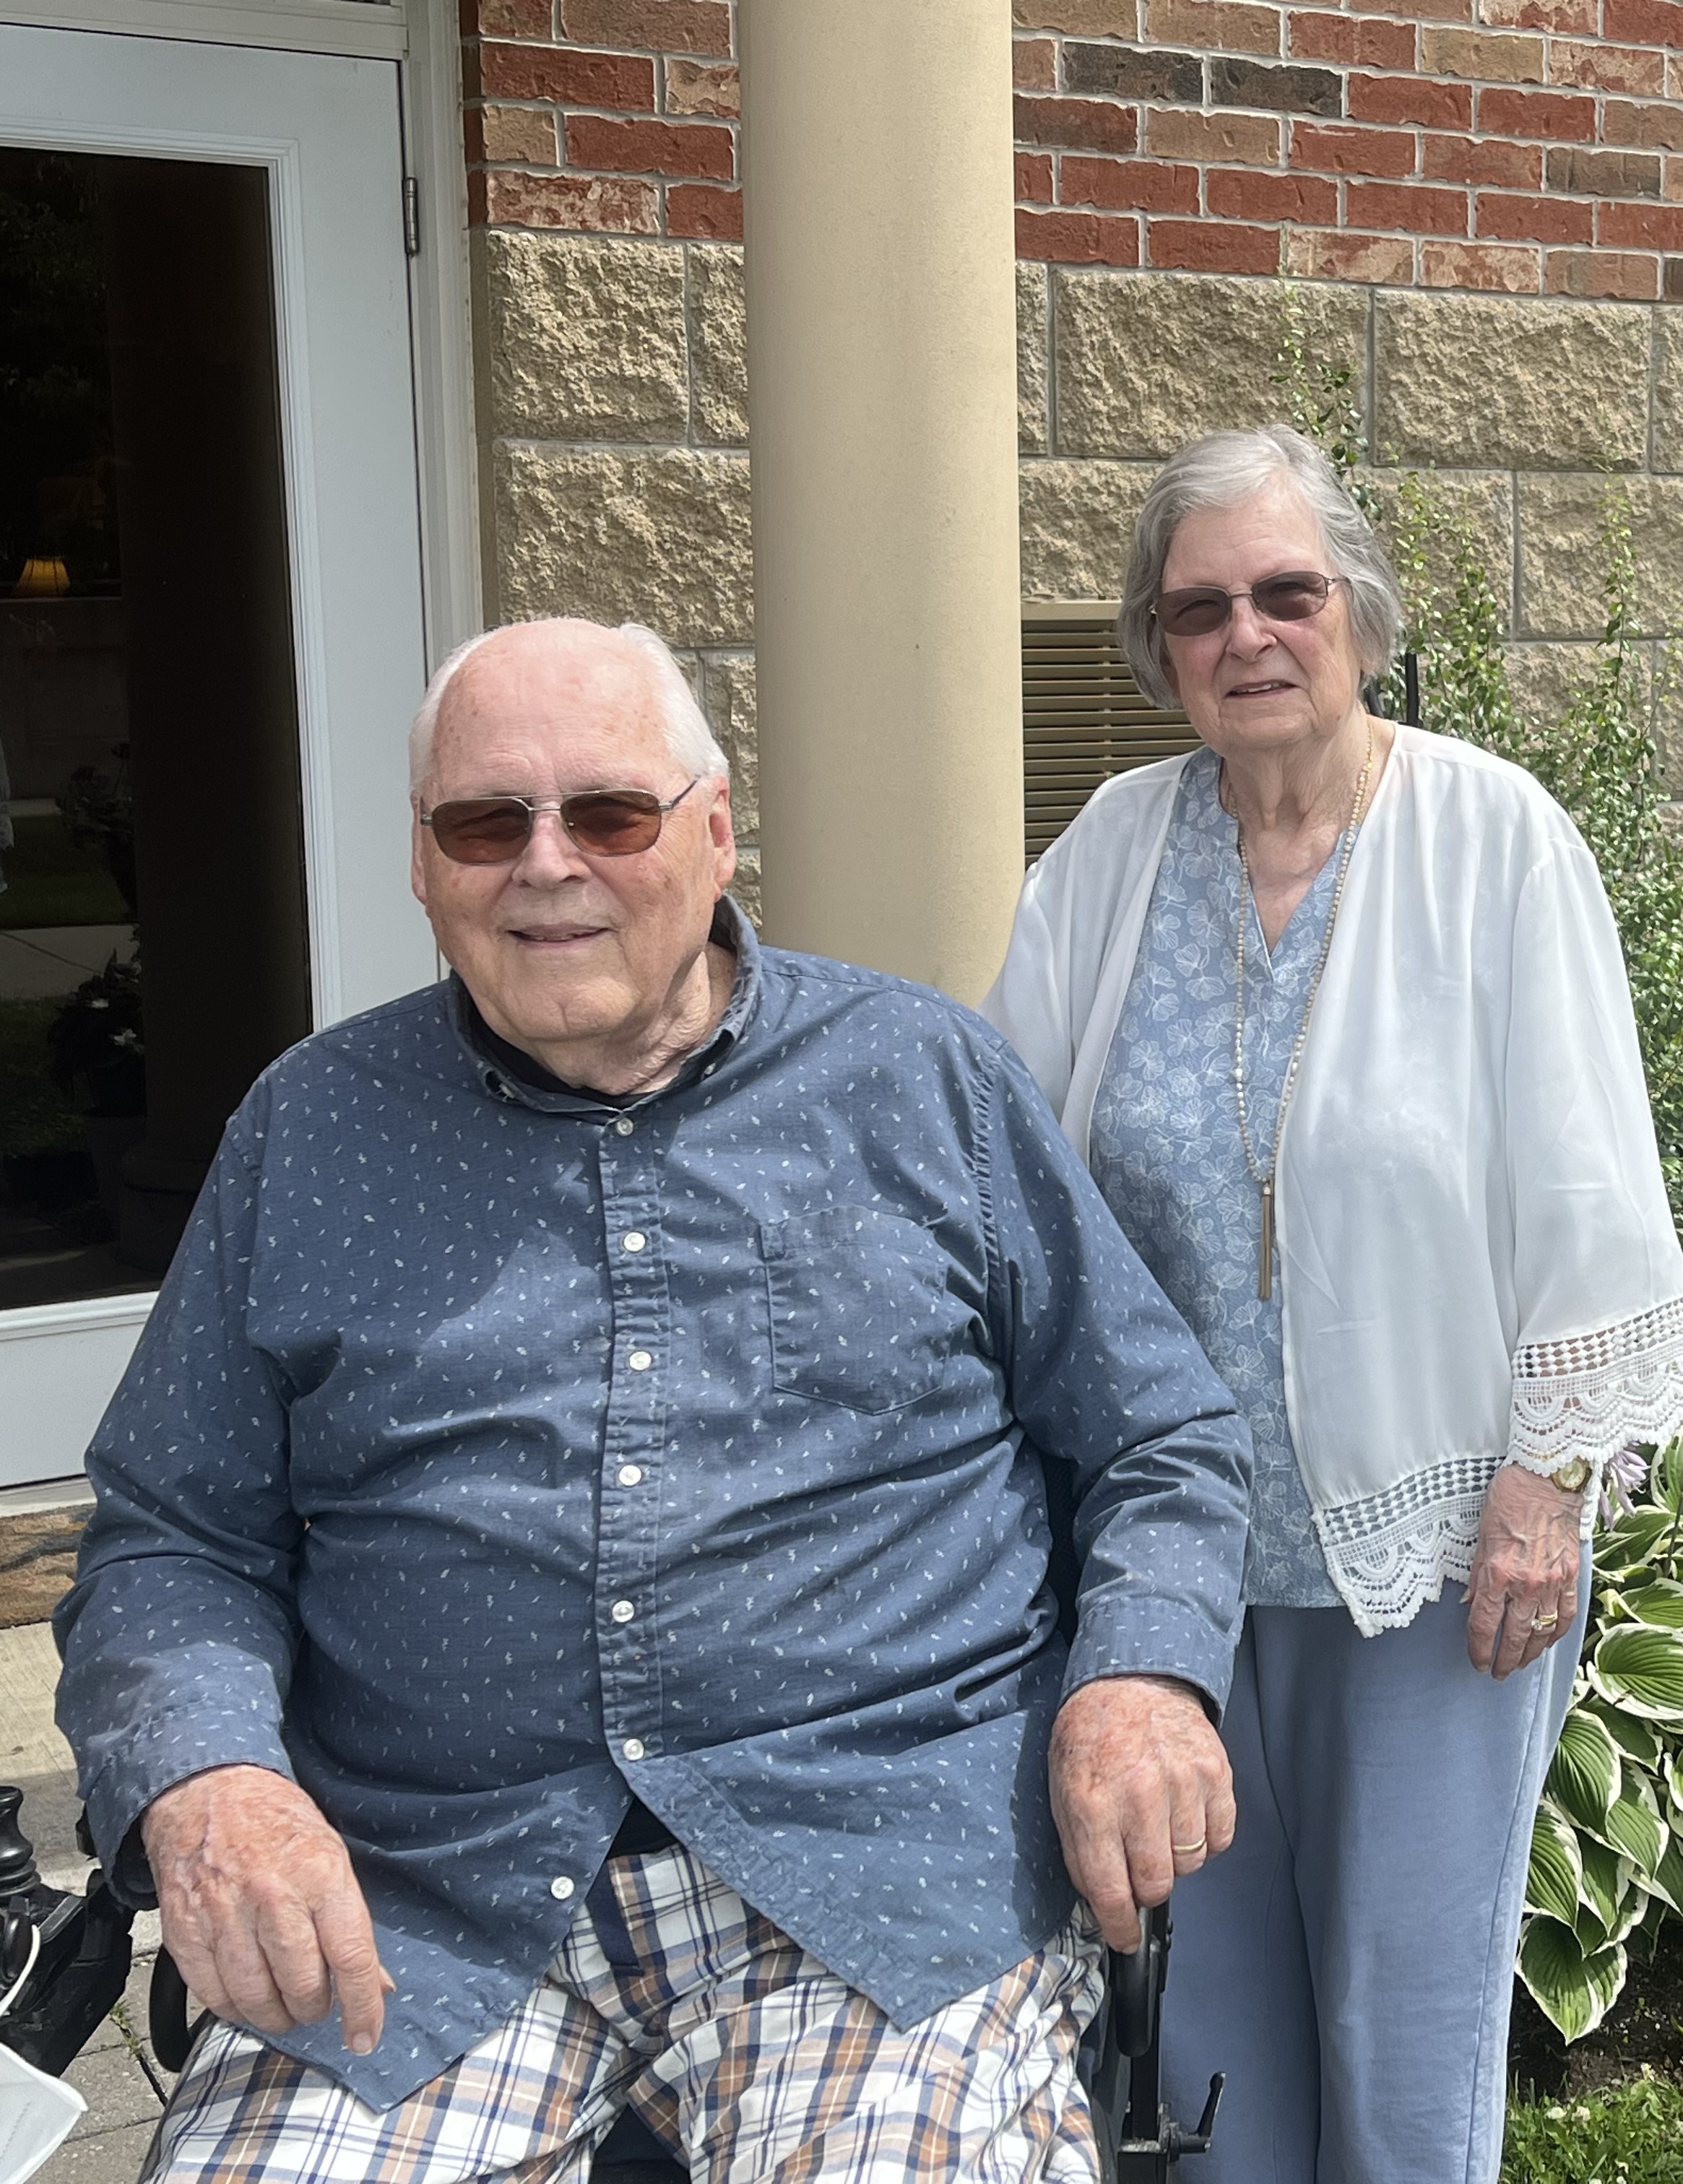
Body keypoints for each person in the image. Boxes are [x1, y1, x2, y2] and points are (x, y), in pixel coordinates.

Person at [53, 616, 1255, 2183]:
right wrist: (210, 1781)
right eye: (485, 823)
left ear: (714, 831)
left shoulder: (925, 1084)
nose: (546, 866)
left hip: (875, 1879)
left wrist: (1141, 1679)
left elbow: (1159, 1432)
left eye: (609, 814)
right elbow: (167, 1538)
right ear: (423, 869)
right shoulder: (311, 1131)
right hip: (424, 1903)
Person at [983, 425, 1683, 2184]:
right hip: (1164, 1559)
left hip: (1435, 1548)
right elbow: (1006, 1162)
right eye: (1200, 607)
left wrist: (1545, 1495)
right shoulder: (1107, 851)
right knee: (1206, 2007)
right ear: (1158, 649)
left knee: (1404, 2009)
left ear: (1360, 616)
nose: (1248, 635)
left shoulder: (1493, 838)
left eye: (1286, 593)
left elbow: (1588, 1180)